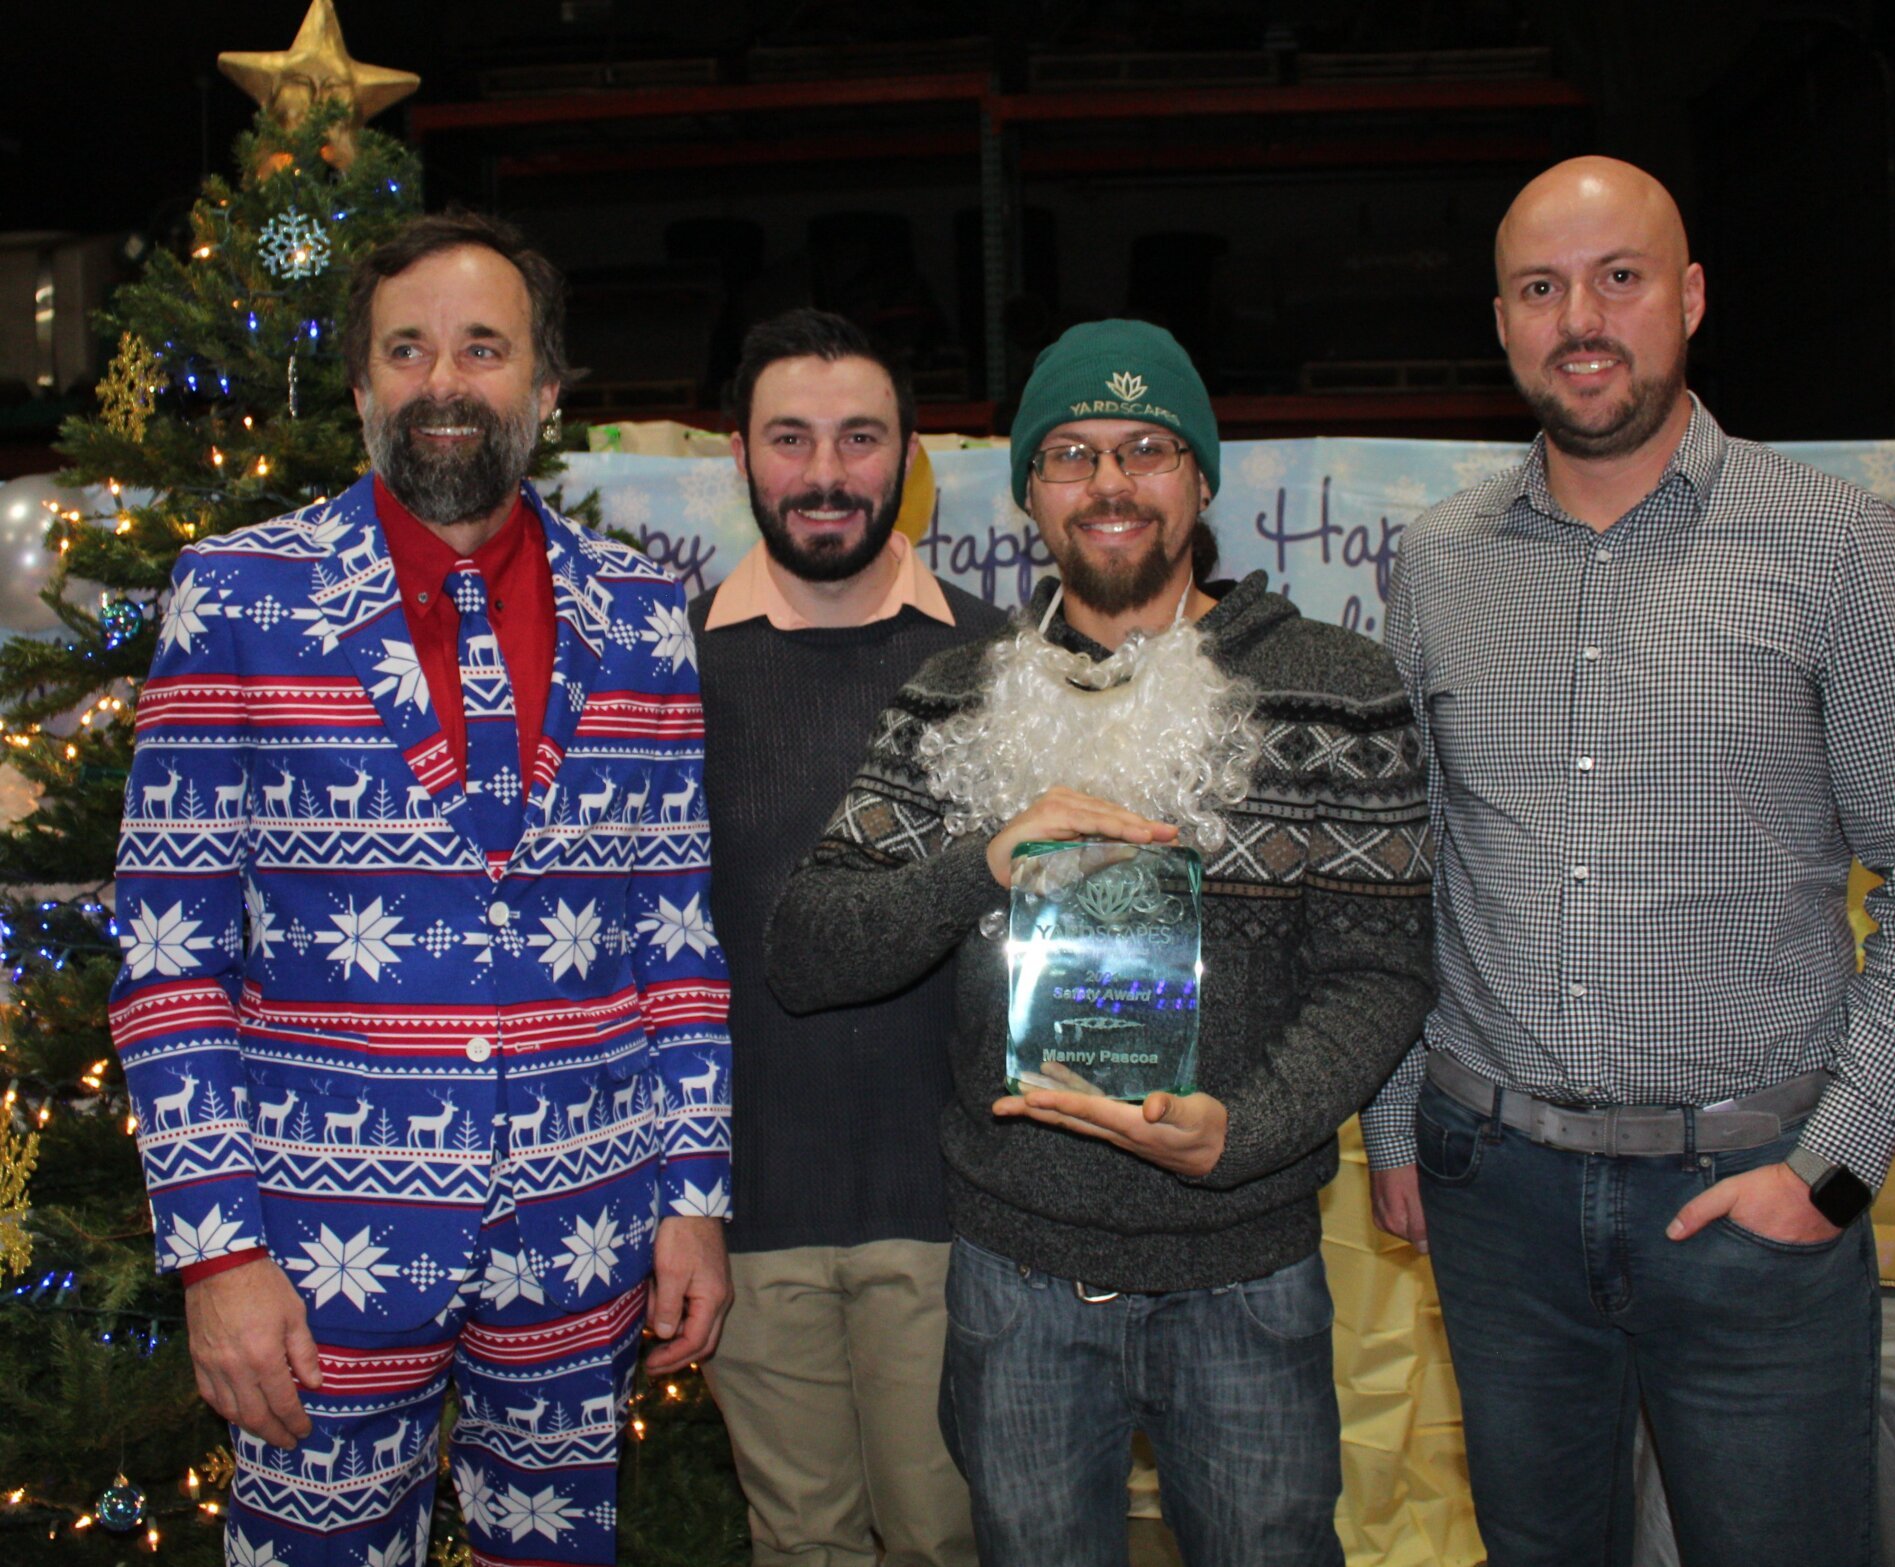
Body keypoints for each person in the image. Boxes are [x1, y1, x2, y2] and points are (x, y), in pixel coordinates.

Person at [1363, 156, 1895, 1567]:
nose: (1579, 319)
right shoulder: (1439, 562)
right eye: (1541, 288)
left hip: (1750, 1202)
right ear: (1501, 321)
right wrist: (1401, 1122)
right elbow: (1411, 870)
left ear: (1692, 296)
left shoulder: (1835, 545)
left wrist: (1831, 1168)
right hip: (1495, 1200)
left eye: (1619, 277)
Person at [110, 211, 733, 1566]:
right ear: (359, 388)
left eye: (483, 348)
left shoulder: (642, 613)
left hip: (585, 1232)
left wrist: (694, 1195)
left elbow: (675, 939)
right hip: (313, 1258)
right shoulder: (236, 597)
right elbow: (168, 959)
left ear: (546, 388)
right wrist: (217, 1252)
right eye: (406, 349)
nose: (442, 380)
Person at [766, 319, 1434, 1567]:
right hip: (1015, 1276)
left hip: (1245, 1270)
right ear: (1028, 490)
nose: (1109, 482)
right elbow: (808, 950)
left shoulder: (1339, 689)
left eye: (1146, 449)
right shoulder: (953, 700)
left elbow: (1381, 970)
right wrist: (978, 859)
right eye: (1071, 453)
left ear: (1200, 479)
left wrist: (1242, 1130)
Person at [687, 308, 1000, 1566]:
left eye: (859, 438)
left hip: (953, 1210)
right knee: (800, 1542)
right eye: (790, 438)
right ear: (739, 456)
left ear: (909, 456)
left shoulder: (998, 660)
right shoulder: (669, 671)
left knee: (946, 1537)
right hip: (746, 1210)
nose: (825, 473)